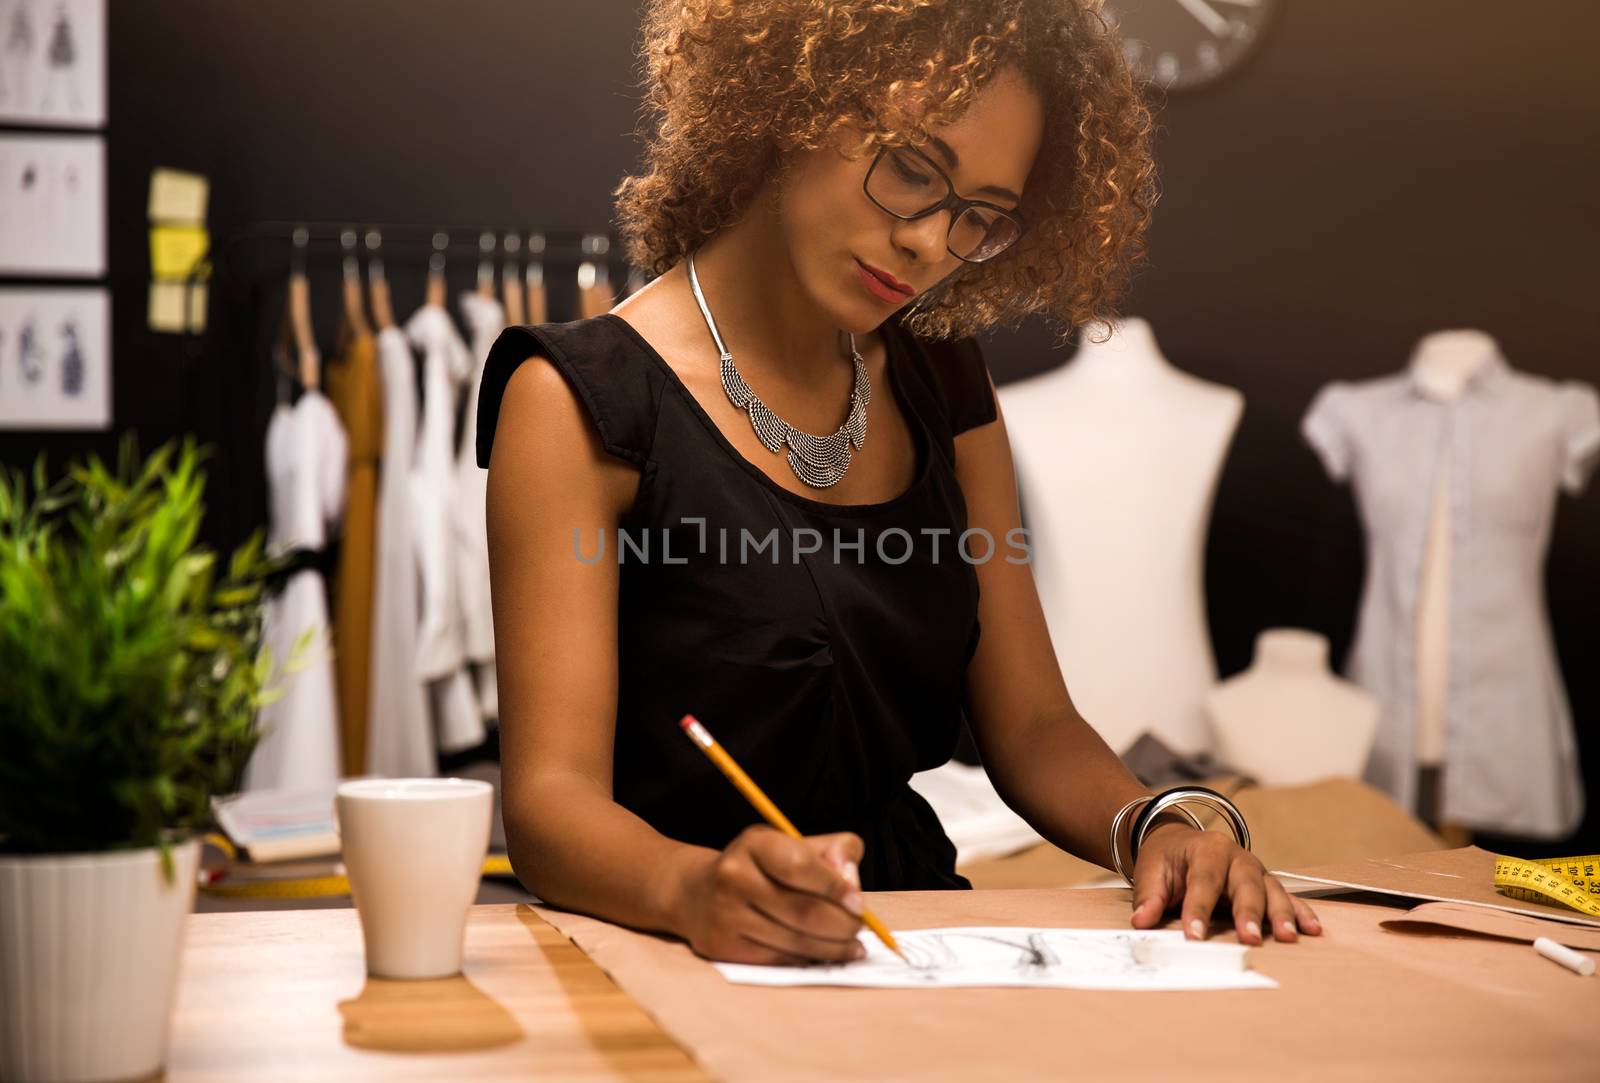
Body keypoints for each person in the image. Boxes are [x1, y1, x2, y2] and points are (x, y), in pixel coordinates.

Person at [481, 0, 1321, 966]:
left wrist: (1159, 826)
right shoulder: (577, 399)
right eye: (914, 172)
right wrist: (694, 888)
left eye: (981, 219)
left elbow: (1034, 723)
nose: (931, 243)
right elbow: (550, 803)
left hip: (913, 947)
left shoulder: (942, 380)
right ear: (788, 102)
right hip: (679, 953)